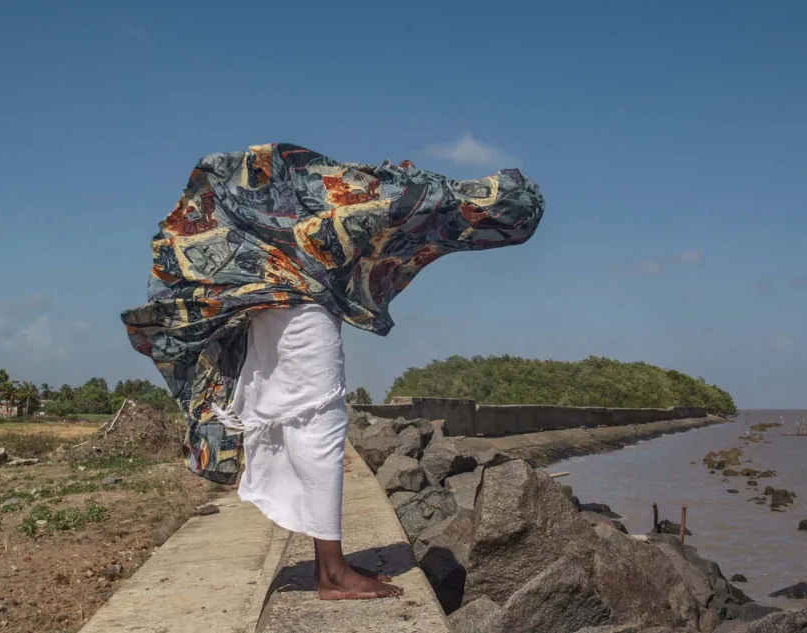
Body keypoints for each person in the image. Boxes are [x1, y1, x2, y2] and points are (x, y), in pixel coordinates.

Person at [122, 142, 545, 600]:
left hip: (279, 300)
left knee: (305, 421)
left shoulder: (314, 197)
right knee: (320, 423)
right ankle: (333, 574)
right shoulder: (377, 198)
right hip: (299, 305)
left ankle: (330, 562)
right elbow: (404, 216)